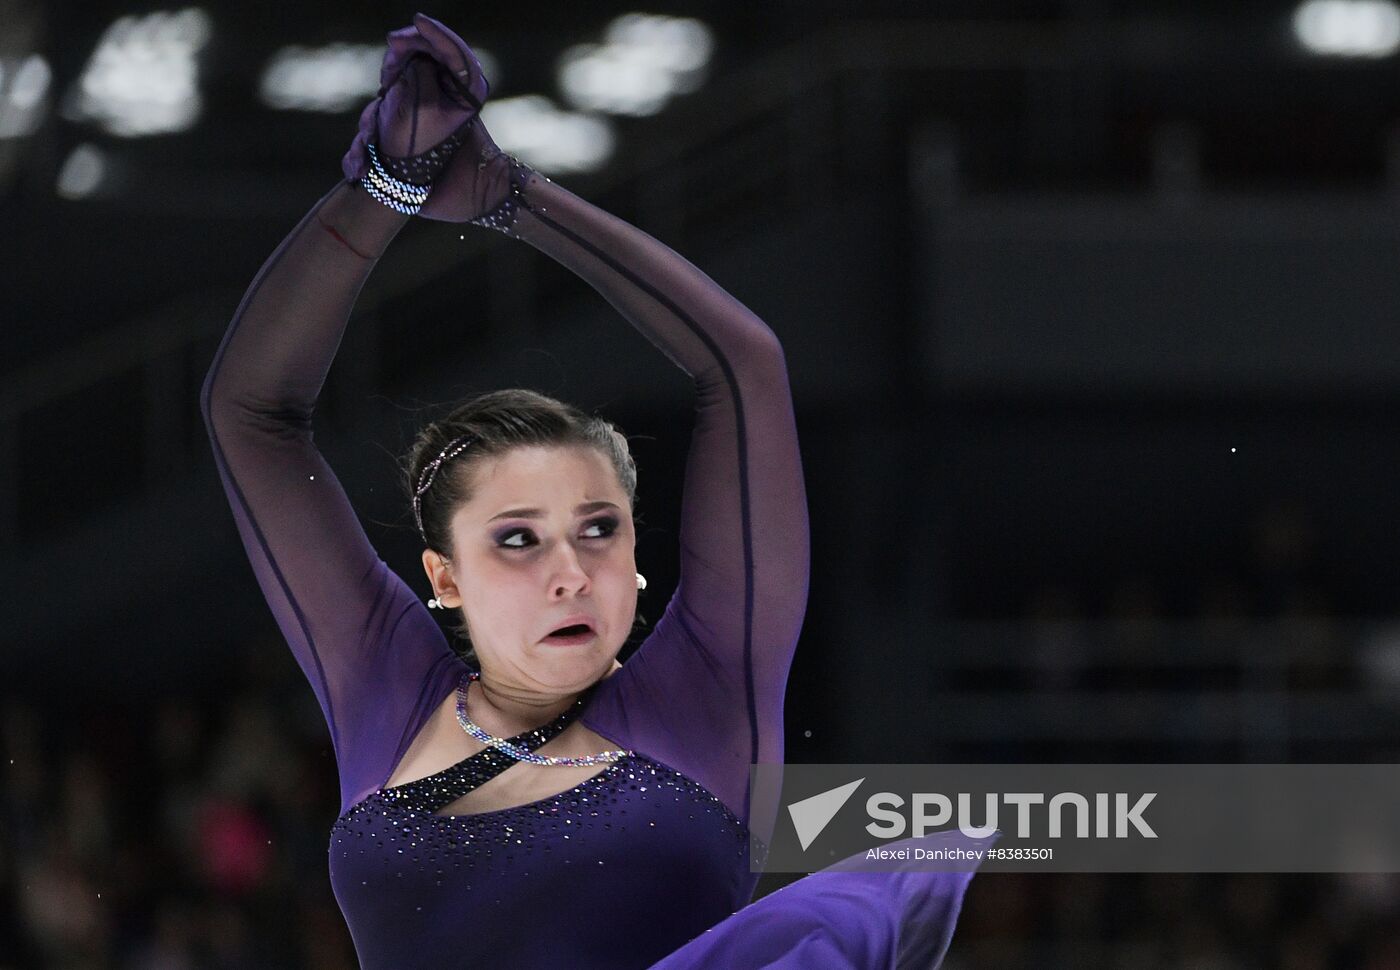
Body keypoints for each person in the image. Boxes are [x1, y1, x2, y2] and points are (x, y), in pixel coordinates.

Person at [200, 14, 986, 968]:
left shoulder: (704, 689)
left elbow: (742, 365)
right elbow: (250, 412)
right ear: (443, 579)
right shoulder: (387, 689)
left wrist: (510, 196)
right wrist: (385, 190)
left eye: (599, 529)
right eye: (519, 540)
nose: (570, 572)